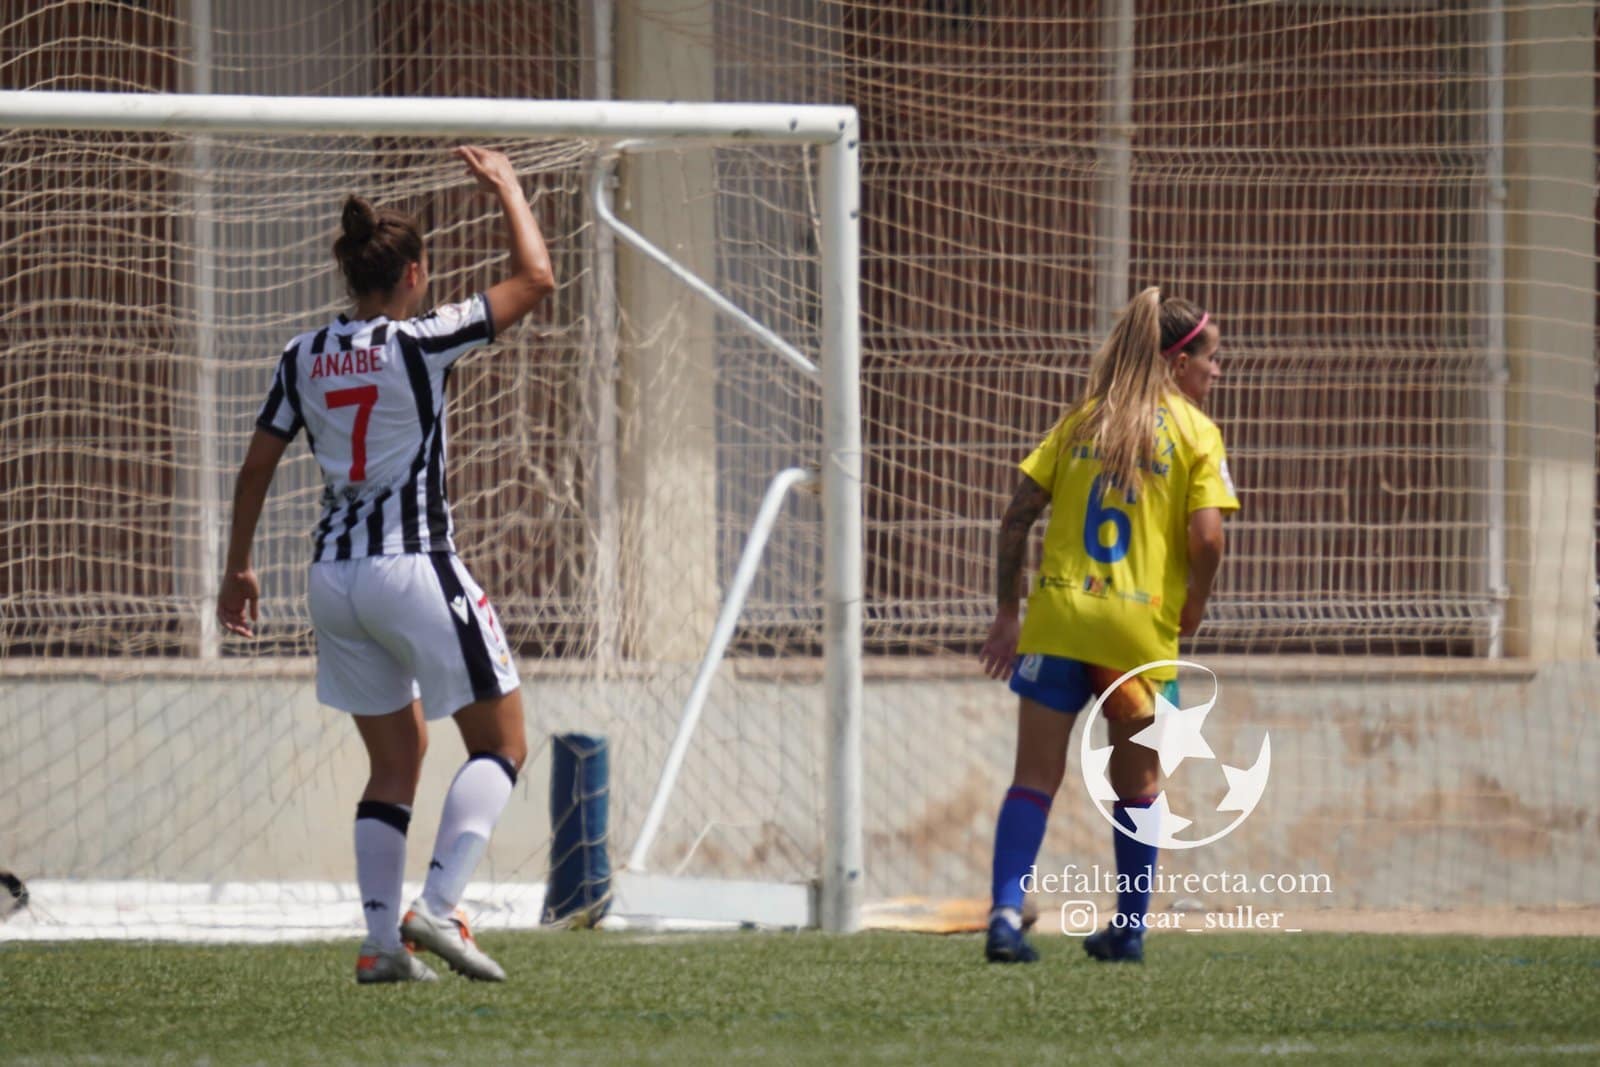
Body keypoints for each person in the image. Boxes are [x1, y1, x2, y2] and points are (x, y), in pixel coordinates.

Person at [217, 146, 555, 984]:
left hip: (332, 581)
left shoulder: (301, 356)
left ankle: (379, 945)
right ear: (412, 273)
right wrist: (510, 188)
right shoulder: (421, 340)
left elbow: (256, 465)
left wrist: (238, 568)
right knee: (503, 743)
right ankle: (437, 908)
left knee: (395, 760)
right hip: (415, 566)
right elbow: (538, 277)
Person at [978, 288, 1238, 964]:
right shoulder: (1194, 432)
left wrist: (1008, 613)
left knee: (1034, 777)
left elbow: (1014, 518)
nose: (1219, 373)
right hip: (1136, 634)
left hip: (1062, 619)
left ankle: (1006, 914)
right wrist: (1197, 603)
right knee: (1140, 785)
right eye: (1213, 360)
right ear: (1180, 363)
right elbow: (1207, 539)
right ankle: (1128, 927)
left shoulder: (1082, 420)